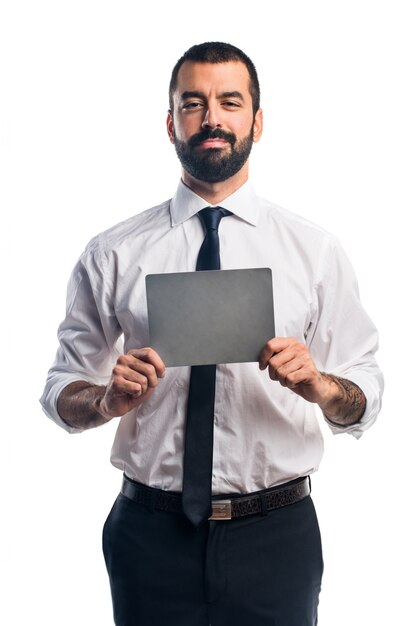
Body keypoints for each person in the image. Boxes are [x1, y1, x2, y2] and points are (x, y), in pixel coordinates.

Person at [40, 42, 383, 626]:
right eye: (193, 104)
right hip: (148, 538)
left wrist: (321, 387)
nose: (213, 119)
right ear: (171, 122)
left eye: (230, 101)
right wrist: (104, 399)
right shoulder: (114, 252)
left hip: (277, 539)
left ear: (257, 119)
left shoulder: (314, 251)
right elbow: (59, 393)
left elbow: (365, 398)